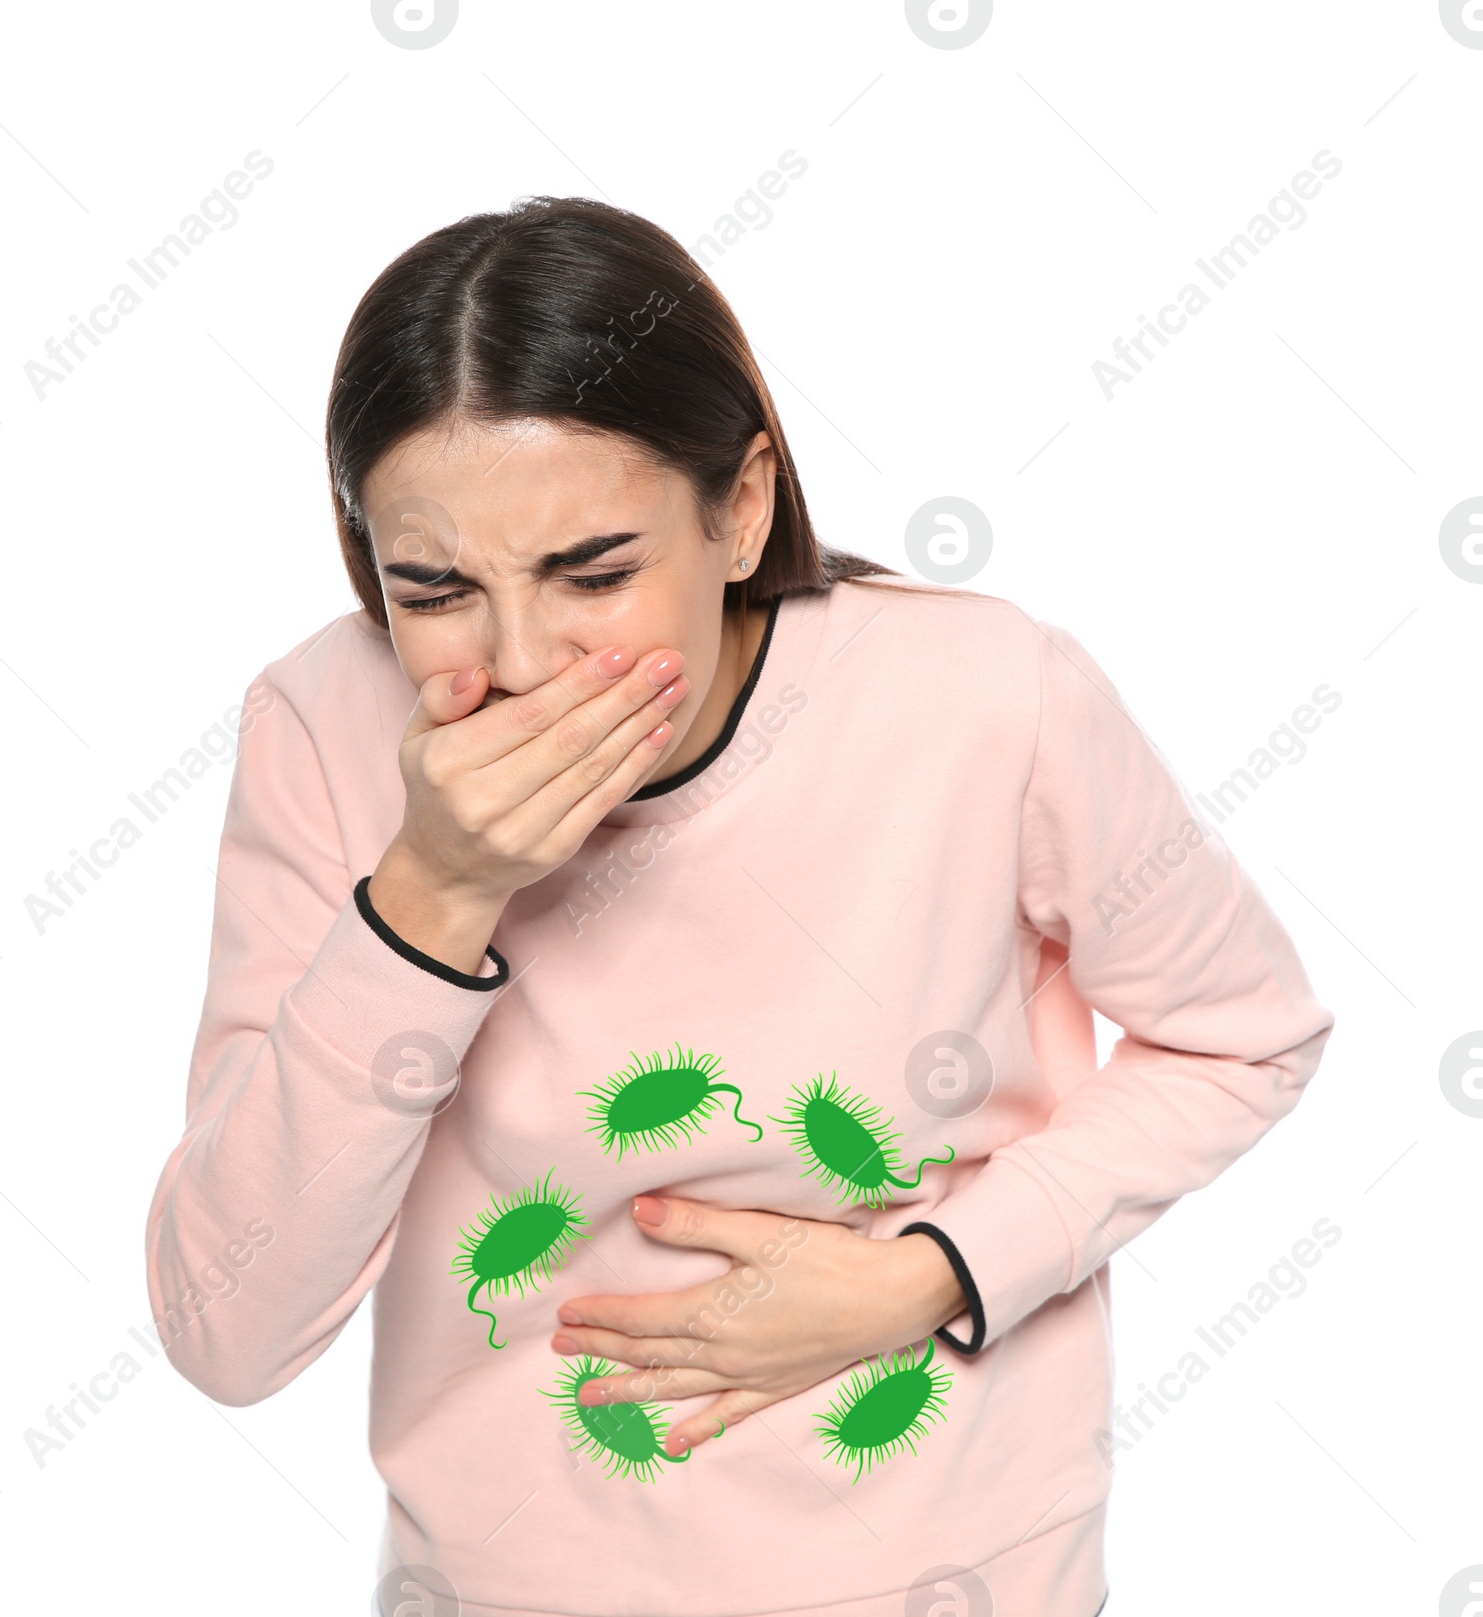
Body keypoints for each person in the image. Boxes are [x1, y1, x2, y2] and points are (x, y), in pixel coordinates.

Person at [143, 195, 1334, 1617]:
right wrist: (434, 891)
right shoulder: (325, 723)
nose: (523, 662)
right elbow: (228, 1328)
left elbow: (1246, 1034)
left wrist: (937, 1270)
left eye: (594, 573)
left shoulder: (986, 698)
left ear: (740, 506)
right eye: (438, 588)